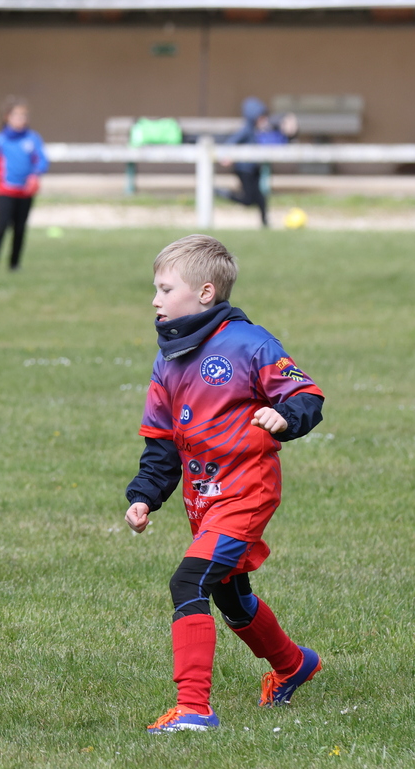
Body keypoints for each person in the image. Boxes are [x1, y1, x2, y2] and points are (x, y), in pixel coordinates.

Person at [123, 235, 326, 733]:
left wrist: (284, 417)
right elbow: (162, 444)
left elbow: (306, 395)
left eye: (165, 289)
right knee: (230, 595)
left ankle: (194, 708)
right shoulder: (168, 358)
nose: (155, 300)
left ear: (205, 293)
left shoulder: (249, 343)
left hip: (246, 492)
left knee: (188, 581)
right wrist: (144, 496)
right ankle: (294, 664)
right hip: (203, 499)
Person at [0, 98, 48, 272]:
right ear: (7, 117)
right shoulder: (0, 140)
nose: (21, 119)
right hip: (6, 190)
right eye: (17, 115)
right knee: (1, 226)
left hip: (25, 192)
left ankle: (14, 265)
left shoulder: (32, 138)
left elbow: (42, 161)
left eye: (24, 115)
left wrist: (35, 175)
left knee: (20, 229)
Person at [217, 97, 272, 227]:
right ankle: (222, 193)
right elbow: (230, 143)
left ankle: (265, 224)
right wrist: (225, 156)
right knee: (248, 199)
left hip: (255, 169)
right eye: (261, 117)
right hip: (245, 170)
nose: (264, 120)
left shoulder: (257, 131)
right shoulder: (246, 130)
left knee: (261, 198)